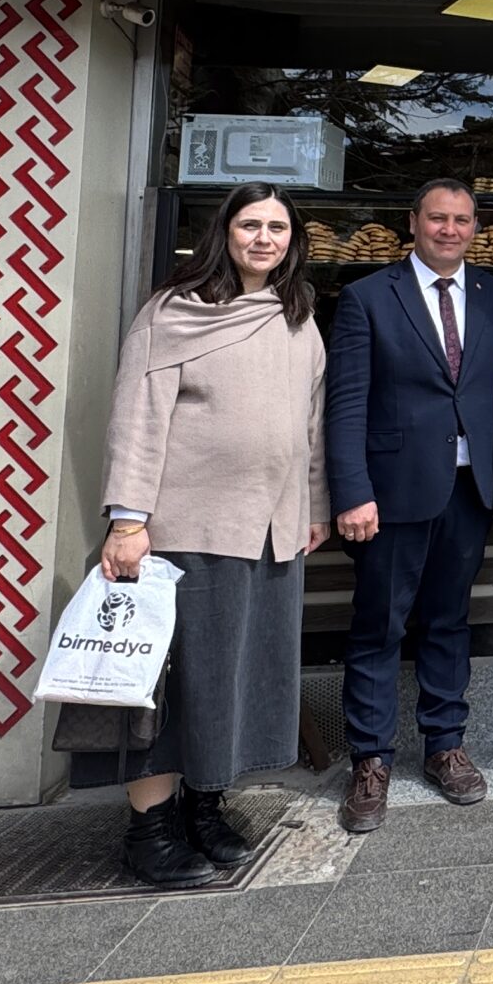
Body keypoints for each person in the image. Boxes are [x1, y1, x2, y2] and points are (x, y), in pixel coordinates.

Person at [87, 183, 330, 888]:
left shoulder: (297, 317)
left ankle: (205, 805)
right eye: (251, 224)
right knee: (171, 686)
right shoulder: (174, 312)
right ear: (224, 232)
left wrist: (313, 506)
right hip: (185, 529)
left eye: (278, 228)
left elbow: (309, 426)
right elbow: (137, 418)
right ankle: (150, 829)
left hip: (271, 532)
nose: (264, 238)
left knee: (234, 681)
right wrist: (128, 520)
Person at [324, 178, 493, 832]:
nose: (450, 230)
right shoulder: (367, 297)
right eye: (438, 218)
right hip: (391, 491)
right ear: (413, 222)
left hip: (470, 489)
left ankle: (444, 746)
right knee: (379, 625)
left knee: (448, 620)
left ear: (475, 228)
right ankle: (370, 760)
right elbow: (346, 403)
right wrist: (352, 491)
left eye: (462, 220)